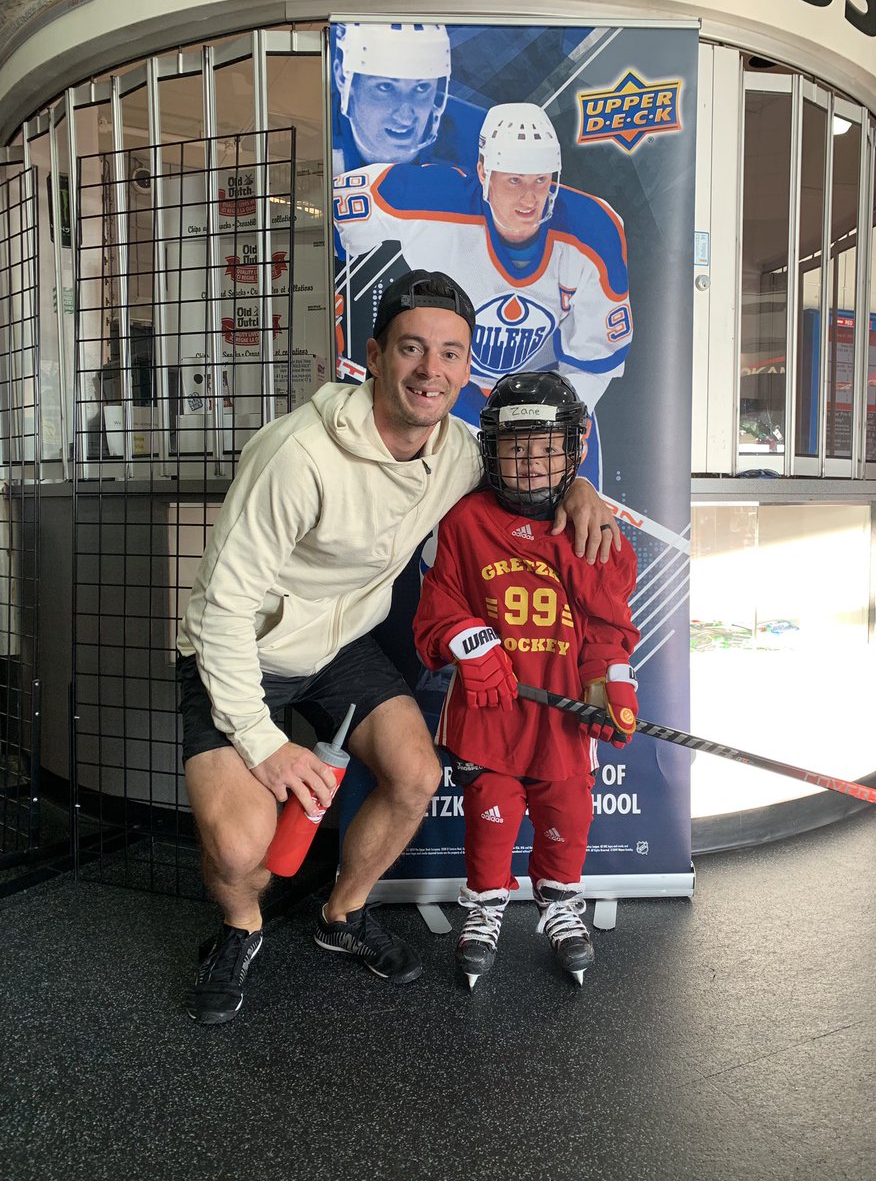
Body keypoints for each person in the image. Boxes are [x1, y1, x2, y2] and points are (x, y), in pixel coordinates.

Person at [176, 269, 620, 1024]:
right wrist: (262, 742)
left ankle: (339, 918)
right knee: (240, 848)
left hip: (342, 644)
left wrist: (579, 490)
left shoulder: (456, 451)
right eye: (412, 349)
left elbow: (530, 465)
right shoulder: (295, 455)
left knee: (416, 774)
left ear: (466, 368)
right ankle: (240, 928)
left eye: (451, 354)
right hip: (245, 648)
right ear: (374, 356)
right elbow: (222, 610)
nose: (431, 370)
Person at [413, 370, 640, 988]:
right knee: (490, 809)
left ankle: (561, 904)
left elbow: (605, 629)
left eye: (547, 447)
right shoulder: (464, 523)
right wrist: (471, 641)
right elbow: (436, 610)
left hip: (561, 715)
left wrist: (609, 685)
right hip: (490, 713)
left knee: (567, 810)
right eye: (517, 448)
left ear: (575, 448)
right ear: (492, 451)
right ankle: (484, 907)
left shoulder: (595, 533)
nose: (532, 463)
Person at [333, 102, 633, 488]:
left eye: (540, 181)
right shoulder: (429, 197)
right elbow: (331, 203)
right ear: (483, 172)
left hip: (544, 389)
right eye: (513, 181)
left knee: (559, 513)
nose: (529, 198)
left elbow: (593, 364)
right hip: (450, 386)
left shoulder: (594, 232)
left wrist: (548, 427)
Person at [330, 22, 482, 174]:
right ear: (341, 78)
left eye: (422, 88)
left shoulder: (480, 139)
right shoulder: (318, 129)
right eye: (385, 87)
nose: (405, 117)